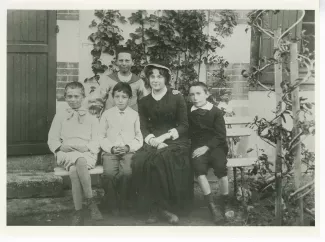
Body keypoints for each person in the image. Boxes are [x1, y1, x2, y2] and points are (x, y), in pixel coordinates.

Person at [131, 63, 193, 225]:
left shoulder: (176, 97)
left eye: (160, 76)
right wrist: (154, 141)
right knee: (140, 161)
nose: (156, 80)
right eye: (152, 76)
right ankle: (153, 208)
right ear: (148, 79)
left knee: (161, 160)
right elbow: (143, 127)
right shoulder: (144, 101)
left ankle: (166, 208)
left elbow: (184, 125)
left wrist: (164, 137)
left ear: (166, 79)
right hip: (153, 141)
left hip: (175, 140)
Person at [48, 81, 103, 226]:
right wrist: (59, 147)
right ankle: (91, 203)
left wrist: (87, 148)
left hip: (86, 153)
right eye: (69, 96)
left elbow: (97, 139)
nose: (73, 99)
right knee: (77, 160)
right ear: (65, 97)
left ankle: (78, 211)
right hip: (66, 152)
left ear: (83, 97)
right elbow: (52, 138)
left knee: (74, 169)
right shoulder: (60, 116)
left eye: (76, 96)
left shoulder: (91, 118)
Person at [188, 82, 231, 224]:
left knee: (221, 168)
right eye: (192, 94)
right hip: (197, 148)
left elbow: (220, 135)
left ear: (207, 94)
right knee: (199, 170)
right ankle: (212, 207)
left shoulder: (216, 112)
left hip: (216, 146)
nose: (195, 97)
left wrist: (207, 147)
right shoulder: (189, 112)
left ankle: (225, 201)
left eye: (199, 93)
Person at [99, 82, 143, 215]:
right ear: (113, 97)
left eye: (124, 97)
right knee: (109, 174)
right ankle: (112, 203)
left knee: (127, 173)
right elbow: (101, 136)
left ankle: (123, 201)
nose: (120, 100)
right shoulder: (107, 114)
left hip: (128, 151)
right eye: (117, 96)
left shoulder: (134, 115)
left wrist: (128, 147)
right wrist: (111, 148)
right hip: (110, 151)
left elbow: (139, 138)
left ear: (129, 98)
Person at [96, 47, 149, 112]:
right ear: (116, 62)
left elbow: (144, 102)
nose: (124, 63)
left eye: (127, 60)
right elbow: (99, 99)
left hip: (130, 119)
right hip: (111, 118)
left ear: (133, 62)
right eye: (121, 60)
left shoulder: (138, 81)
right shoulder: (109, 79)